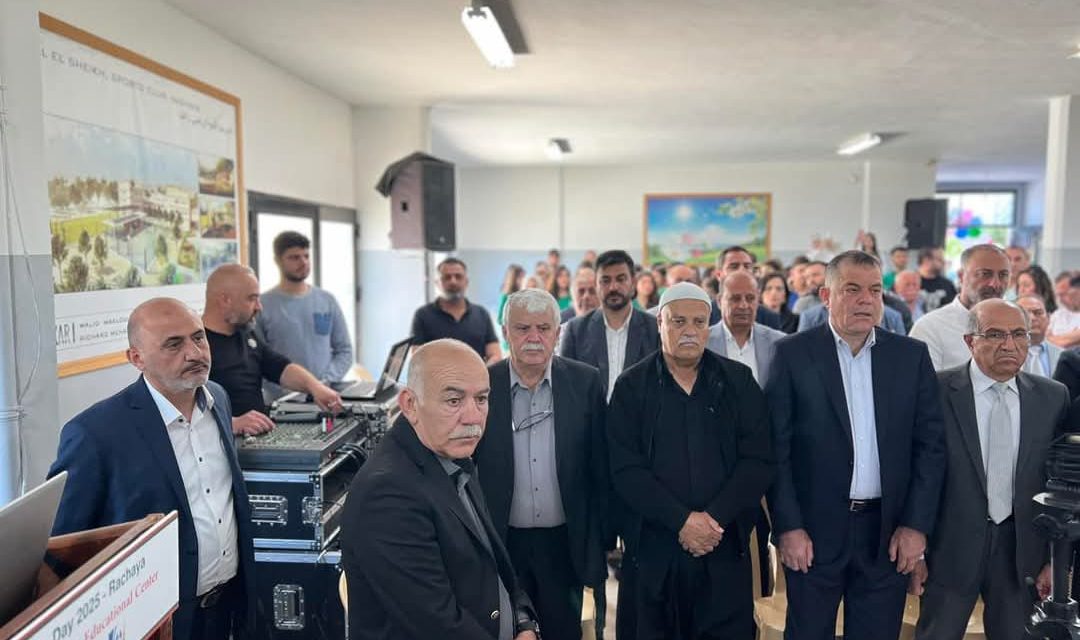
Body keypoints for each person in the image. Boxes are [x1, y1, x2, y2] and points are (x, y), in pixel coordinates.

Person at [48, 298, 256, 640]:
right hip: (157, 619)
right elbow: (61, 548)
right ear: (136, 358)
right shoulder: (95, 433)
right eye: (173, 344)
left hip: (226, 606)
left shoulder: (217, 398)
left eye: (198, 337)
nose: (194, 353)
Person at [766, 250, 945, 640]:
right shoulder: (793, 355)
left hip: (887, 534)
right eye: (852, 289)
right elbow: (776, 452)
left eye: (875, 290)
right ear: (826, 296)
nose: (866, 300)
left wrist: (916, 526)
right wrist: (789, 527)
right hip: (813, 532)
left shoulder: (910, 357)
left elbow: (930, 449)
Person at [340, 339, 540, 639]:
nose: (473, 417)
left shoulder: (452, 453)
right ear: (410, 404)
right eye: (453, 401)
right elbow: (438, 626)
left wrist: (524, 623)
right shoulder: (387, 494)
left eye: (481, 399)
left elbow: (496, 566)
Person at [608, 282, 773, 638]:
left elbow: (758, 460)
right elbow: (625, 469)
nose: (689, 331)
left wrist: (712, 520)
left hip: (722, 545)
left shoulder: (737, 382)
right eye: (678, 321)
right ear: (659, 323)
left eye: (699, 322)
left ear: (708, 327)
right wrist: (681, 521)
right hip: (654, 551)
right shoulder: (631, 387)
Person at [912, 300, 1068, 639]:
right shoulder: (935, 390)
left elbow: (1058, 485)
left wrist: (1055, 559)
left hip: (1022, 550)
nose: (1009, 345)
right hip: (948, 548)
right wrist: (916, 548)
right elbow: (916, 473)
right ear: (970, 341)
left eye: (1019, 334)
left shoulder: (1052, 397)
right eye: (995, 334)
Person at [474, 289, 609, 640]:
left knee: (564, 631)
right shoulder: (482, 386)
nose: (533, 337)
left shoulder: (586, 382)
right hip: (501, 543)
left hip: (565, 544)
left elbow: (601, 466)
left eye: (543, 328)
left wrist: (602, 538)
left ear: (558, 333)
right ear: (506, 332)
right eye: (522, 328)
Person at [202, 264, 342, 435]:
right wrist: (232, 424)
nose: (259, 307)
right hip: (225, 442)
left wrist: (316, 388)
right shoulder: (197, 346)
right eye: (251, 299)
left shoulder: (245, 334)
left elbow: (279, 367)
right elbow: (183, 411)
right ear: (225, 300)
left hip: (258, 437)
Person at [258, 231, 353, 394]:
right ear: (277, 261)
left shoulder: (327, 300)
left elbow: (344, 351)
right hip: (282, 401)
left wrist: (323, 383)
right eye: (294, 257)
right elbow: (257, 359)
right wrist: (286, 391)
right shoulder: (262, 305)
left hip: (325, 396)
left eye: (306, 256)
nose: (303, 262)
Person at [560, 250, 660, 401]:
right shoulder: (576, 330)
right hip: (590, 415)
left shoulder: (653, 328)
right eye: (605, 280)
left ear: (633, 283)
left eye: (621, 279)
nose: (613, 287)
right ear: (596, 284)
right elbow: (565, 385)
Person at [909, 244, 1011, 371]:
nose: (995, 284)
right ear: (961, 276)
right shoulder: (930, 328)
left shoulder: (1017, 326)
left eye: (1003, 275)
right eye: (985, 274)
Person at [410, 257, 501, 363]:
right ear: (437, 283)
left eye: (458, 276)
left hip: (478, 373)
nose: (453, 281)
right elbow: (417, 358)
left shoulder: (481, 314)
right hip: (437, 374)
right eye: (447, 277)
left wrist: (482, 370)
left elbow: (495, 355)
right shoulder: (422, 315)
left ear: (466, 281)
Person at [706, 270, 787, 385]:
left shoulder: (779, 343)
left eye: (750, 298)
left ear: (758, 300)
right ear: (719, 302)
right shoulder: (703, 343)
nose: (743, 305)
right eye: (735, 298)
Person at [708, 246, 783, 329]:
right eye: (734, 267)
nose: (742, 271)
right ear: (719, 275)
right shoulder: (706, 315)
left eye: (747, 266)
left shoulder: (769, 318)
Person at [1015, 294, 1063, 378]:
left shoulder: (1062, 355)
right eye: (1024, 314)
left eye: (1038, 313)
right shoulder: (1003, 354)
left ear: (1048, 318)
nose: (1032, 318)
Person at [498, 264, 527, 351]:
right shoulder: (506, 296)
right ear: (513, 279)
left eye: (524, 277)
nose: (524, 280)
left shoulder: (525, 295)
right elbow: (500, 319)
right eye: (521, 277)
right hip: (510, 343)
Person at [1047, 273, 1080, 349]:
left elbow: (1064, 343)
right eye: (1059, 295)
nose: (1061, 300)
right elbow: (1045, 340)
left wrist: (1053, 338)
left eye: (1064, 294)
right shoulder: (1057, 315)